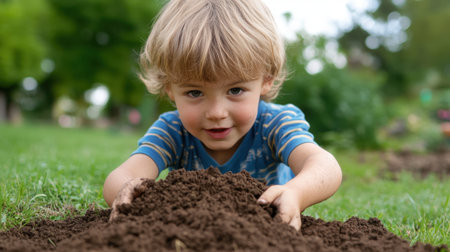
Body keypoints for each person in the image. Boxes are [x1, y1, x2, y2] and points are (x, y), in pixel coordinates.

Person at [103, 0, 342, 231]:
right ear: (170, 88)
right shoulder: (173, 130)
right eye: (195, 92)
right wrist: (130, 190)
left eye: (235, 90)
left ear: (266, 80)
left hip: (262, 233)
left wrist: (296, 192)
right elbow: (122, 177)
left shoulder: (275, 124)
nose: (217, 113)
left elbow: (325, 167)